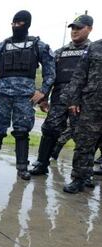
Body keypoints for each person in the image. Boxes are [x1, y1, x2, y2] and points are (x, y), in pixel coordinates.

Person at [0, 10, 55, 180]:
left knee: (22, 132)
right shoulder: (2, 46)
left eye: (19, 22)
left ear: (27, 24)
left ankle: (22, 167)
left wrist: (42, 92)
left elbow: (50, 72)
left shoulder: (38, 45)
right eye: (13, 22)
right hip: (3, 95)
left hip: (25, 97)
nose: (15, 25)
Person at [30, 15, 93, 176]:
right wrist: (44, 99)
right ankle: (41, 164)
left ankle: (82, 174)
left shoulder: (94, 51)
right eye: (73, 28)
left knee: (84, 136)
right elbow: (51, 76)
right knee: (49, 130)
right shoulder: (60, 52)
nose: (75, 31)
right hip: (59, 99)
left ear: (90, 29)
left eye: (79, 28)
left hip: (83, 101)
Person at [63, 30, 102, 193]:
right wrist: (73, 99)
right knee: (84, 144)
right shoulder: (94, 48)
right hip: (92, 104)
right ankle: (80, 178)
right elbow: (79, 76)